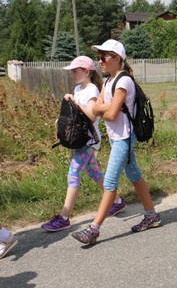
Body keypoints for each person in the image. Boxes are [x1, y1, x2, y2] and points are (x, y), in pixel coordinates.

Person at [71, 39, 161, 245]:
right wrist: (104, 108)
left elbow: (109, 113)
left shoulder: (123, 81)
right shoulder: (110, 81)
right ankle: (151, 215)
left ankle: (93, 229)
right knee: (134, 175)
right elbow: (96, 109)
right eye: (98, 57)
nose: (100, 61)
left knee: (110, 183)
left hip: (124, 139)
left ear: (117, 58)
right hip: (116, 138)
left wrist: (105, 107)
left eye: (103, 57)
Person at [42, 56, 125, 232]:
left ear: (87, 72)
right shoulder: (78, 88)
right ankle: (117, 202)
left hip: (88, 140)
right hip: (79, 138)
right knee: (95, 173)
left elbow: (93, 115)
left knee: (73, 175)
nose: (72, 74)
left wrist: (76, 104)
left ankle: (64, 217)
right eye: (71, 71)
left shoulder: (92, 90)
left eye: (75, 71)